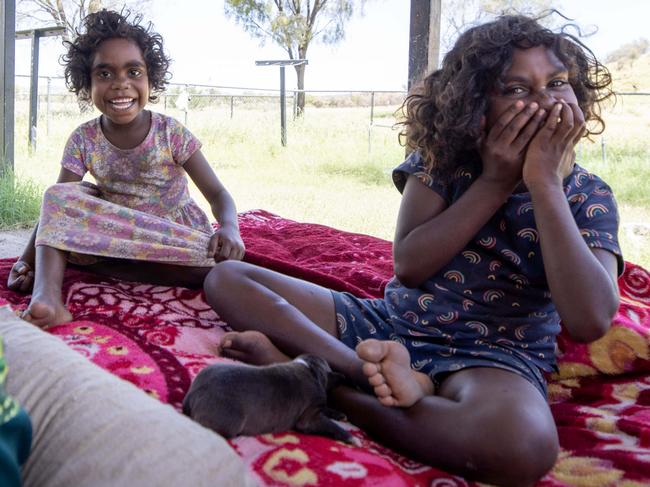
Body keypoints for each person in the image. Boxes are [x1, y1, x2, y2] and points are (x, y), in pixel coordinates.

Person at [201, 12, 623, 486]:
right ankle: (362, 372)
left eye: (558, 83)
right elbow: (410, 266)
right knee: (227, 278)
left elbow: (590, 320)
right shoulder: (443, 162)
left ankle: (327, 386)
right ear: (476, 105)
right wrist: (496, 181)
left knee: (523, 447)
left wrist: (544, 182)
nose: (544, 102)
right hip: (390, 325)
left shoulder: (587, 195)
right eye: (517, 89)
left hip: (493, 358)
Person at [7, 10, 244, 329]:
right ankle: (47, 298)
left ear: (150, 78)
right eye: (104, 74)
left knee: (221, 266)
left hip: (170, 237)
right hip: (114, 235)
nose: (121, 84)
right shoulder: (83, 138)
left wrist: (229, 227)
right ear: (85, 82)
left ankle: (142, 270)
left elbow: (217, 193)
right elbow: (57, 207)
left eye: (133, 71)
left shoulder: (170, 132)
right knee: (61, 192)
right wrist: (26, 260)